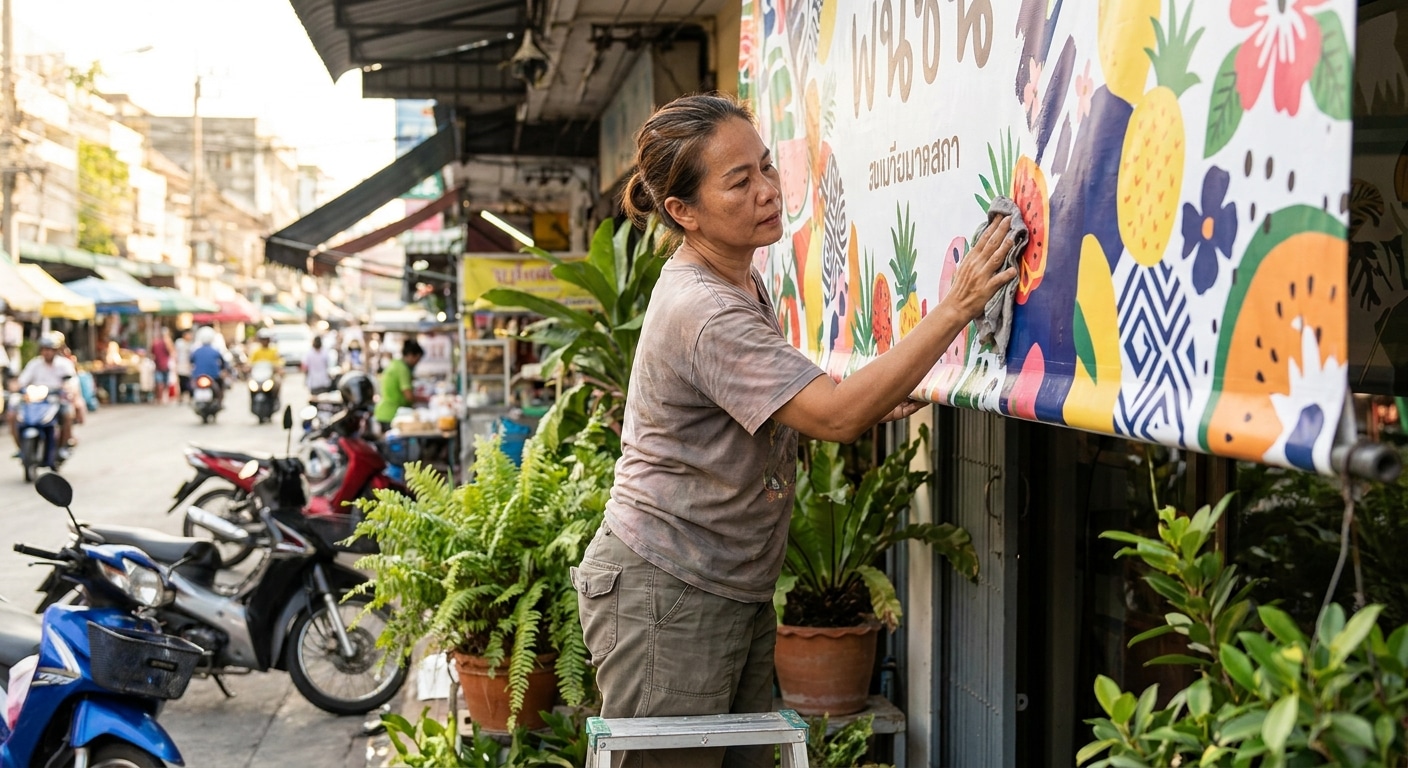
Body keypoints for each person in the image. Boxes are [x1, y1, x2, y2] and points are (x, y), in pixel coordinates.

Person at [569, 94, 1016, 768]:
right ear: (683, 212)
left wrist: (874, 395)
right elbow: (834, 417)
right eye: (739, 181)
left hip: (722, 587)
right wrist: (958, 306)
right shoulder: (705, 308)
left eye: (767, 167)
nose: (769, 191)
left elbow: (809, 403)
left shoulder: (738, 282)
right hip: (668, 593)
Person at [8, 334, 78, 457]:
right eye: (45, 349)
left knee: (68, 414)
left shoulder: (64, 364)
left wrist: (67, 388)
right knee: (13, 415)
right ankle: (21, 448)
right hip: (36, 400)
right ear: (41, 350)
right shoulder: (34, 364)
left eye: (50, 349)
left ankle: (63, 446)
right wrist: (15, 387)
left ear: (55, 351)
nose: (47, 352)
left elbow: (71, 382)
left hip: (56, 399)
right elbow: (22, 381)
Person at [372, 339, 422, 433]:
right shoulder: (403, 369)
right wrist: (425, 399)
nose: (417, 363)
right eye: (417, 359)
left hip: (384, 412)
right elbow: (409, 395)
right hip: (392, 415)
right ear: (411, 355)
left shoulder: (395, 364)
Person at [189, 327, 228, 403]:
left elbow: (191, 361)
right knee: (221, 385)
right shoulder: (215, 350)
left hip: (198, 375)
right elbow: (223, 362)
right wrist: (223, 369)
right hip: (213, 375)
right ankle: (220, 400)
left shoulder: (196, 351)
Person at [152, 328, 173, 404]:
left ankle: (160, 398)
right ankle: (162, 397)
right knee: (163, 382)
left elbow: (152, 353)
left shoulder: (156, 342)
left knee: (160, 382)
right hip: (163, 365)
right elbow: (171, 352)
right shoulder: (164, 342)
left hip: (160, 365)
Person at [173, 329, 193, 403]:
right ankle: (181, 396)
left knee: (189, 382)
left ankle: (190, 396)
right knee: (182, 381)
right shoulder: (179, 343)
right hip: (181, 365)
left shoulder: (191, 344)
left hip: (189, 366)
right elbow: (175, 353)